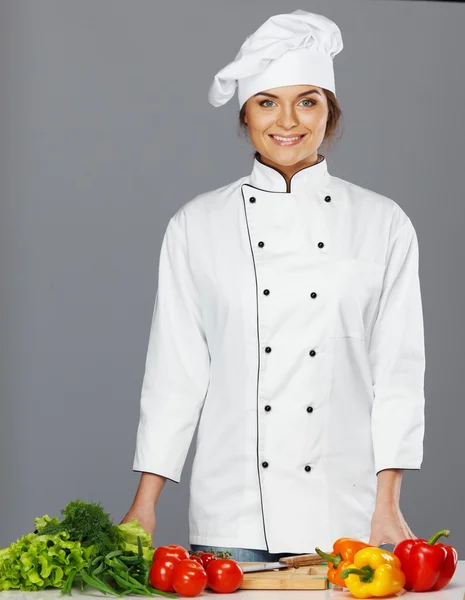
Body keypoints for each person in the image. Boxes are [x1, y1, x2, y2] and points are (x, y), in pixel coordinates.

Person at [121, 9, 425, 563]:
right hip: (230, 516)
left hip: (346, 518)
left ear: (329, 113)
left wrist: (388, 503)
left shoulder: (384, 223)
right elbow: (176, 372)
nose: (288, 120)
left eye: (307, 100)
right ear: (245, 114)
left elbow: (398, 374)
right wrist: (145, 505)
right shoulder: (197, 224)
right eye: (267, 102)